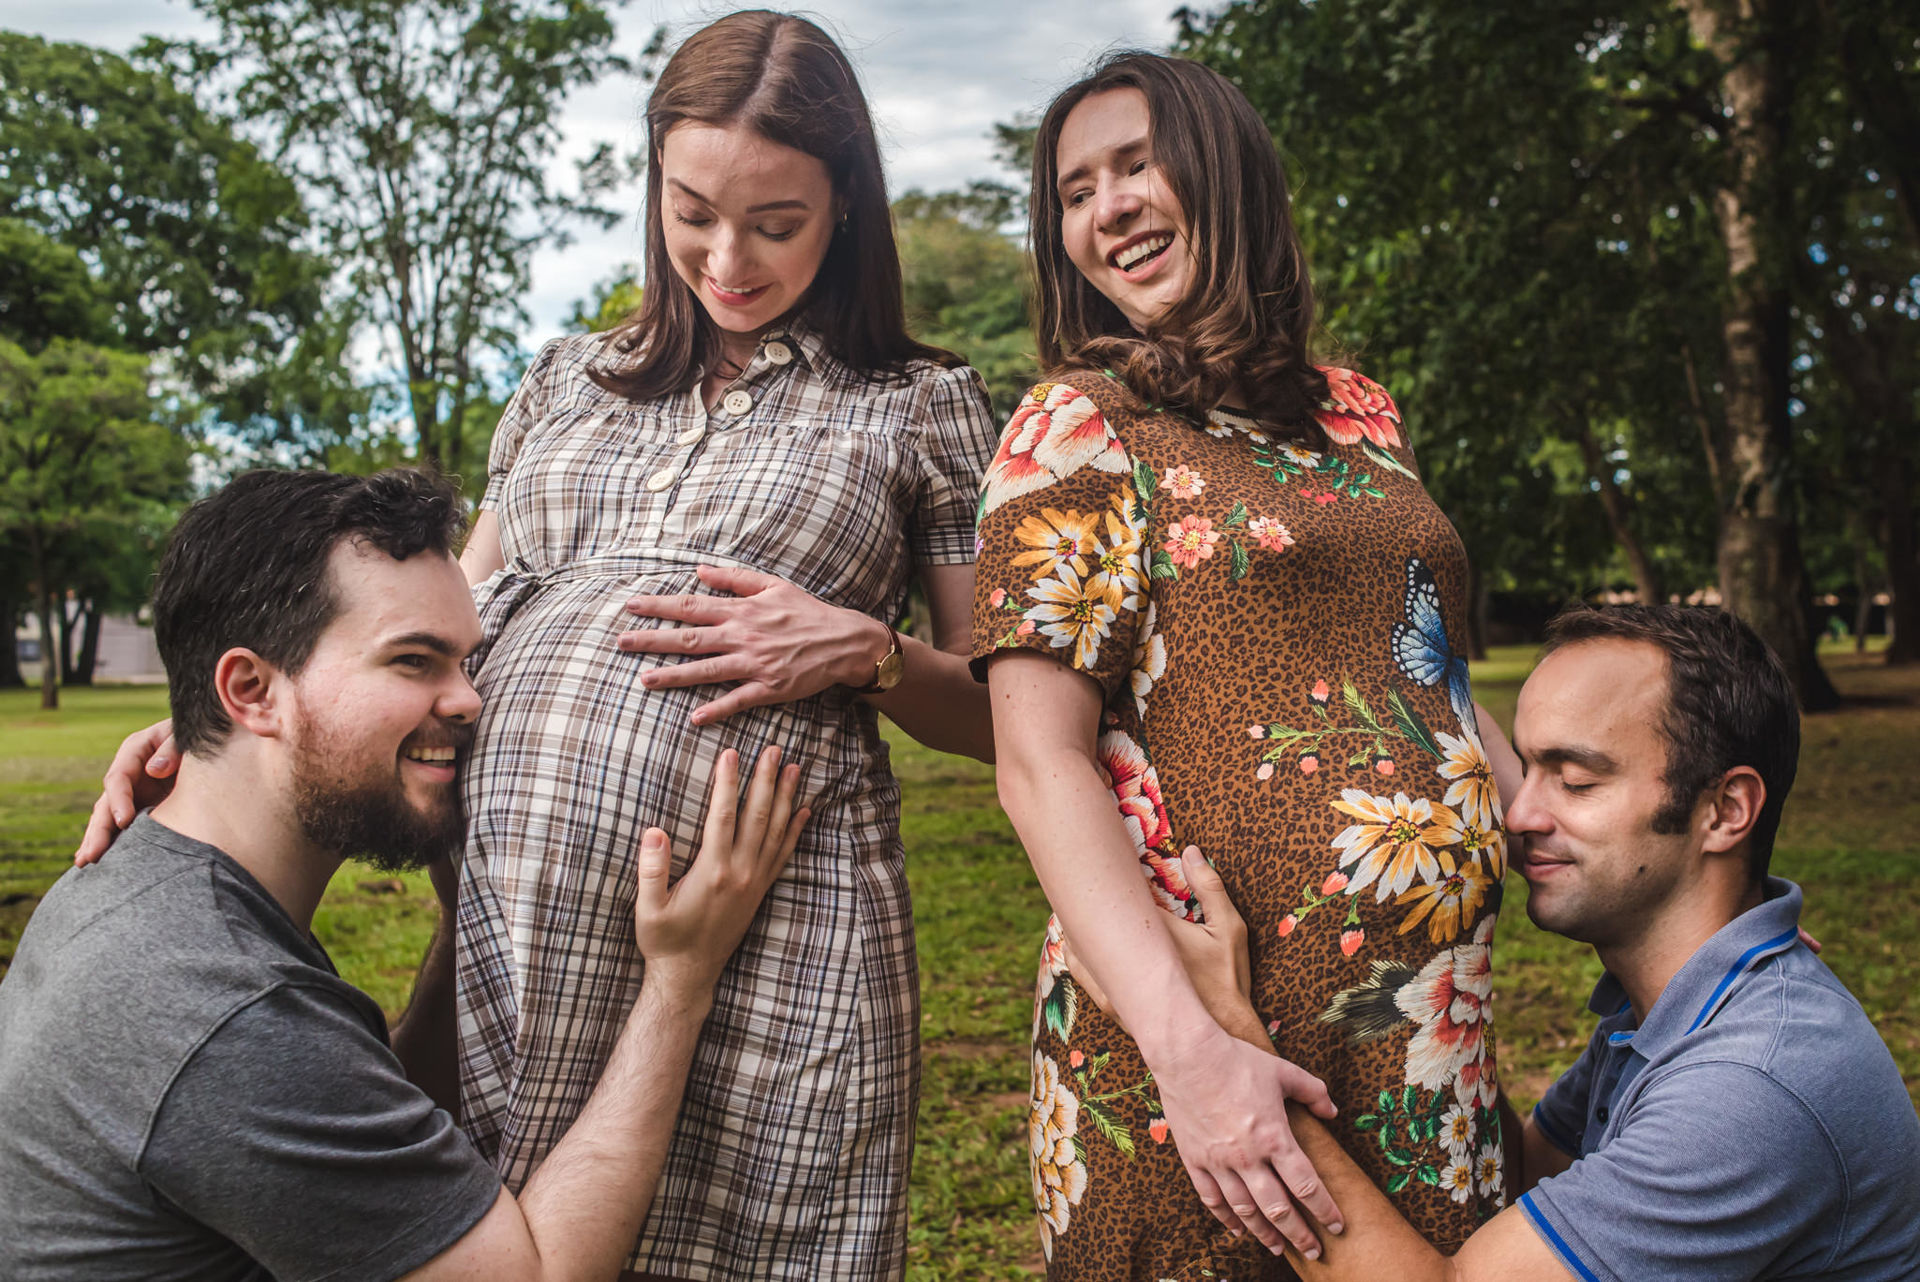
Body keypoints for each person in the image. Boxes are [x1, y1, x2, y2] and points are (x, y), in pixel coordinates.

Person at [79, 13, 1000, 1280]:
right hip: (510, 921)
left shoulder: (919, 403)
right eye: (692, 211)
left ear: (846, 205)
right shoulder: (571, 377)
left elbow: (1008, 715)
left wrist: (867, 652)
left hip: (772, 920)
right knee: (521, 1225)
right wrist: (221, 735)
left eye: (775, 223)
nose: (726, 257)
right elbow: (427, 622)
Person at [972, 51, 1520, 1278]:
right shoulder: (1076, 424)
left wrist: (1598, 861)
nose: (1104, 207)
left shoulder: (1365, 413)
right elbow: (1035, 760)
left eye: (1134, 163)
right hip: (1204, 1032)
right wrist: (1192, 1052)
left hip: (1427, 1026)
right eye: (1073, 190)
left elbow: (1436, 675)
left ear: (1225, 174)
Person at [3, 468, 808, 1281]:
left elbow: (369, 1134)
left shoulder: (141, 885)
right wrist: (679, 981)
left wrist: (465, 916)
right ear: (251, 690)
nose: (469, 701)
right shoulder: (230, 1013)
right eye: (415, 661)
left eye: (467, 660)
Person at [1179, 604, 1920, 1281]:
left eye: (1576, 782)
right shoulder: (1682, 1005)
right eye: (1527, 770)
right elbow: (1528, 1167)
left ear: (1725, 811)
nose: (1519, 813)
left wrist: (1230, 1042)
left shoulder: (1747, 1088)